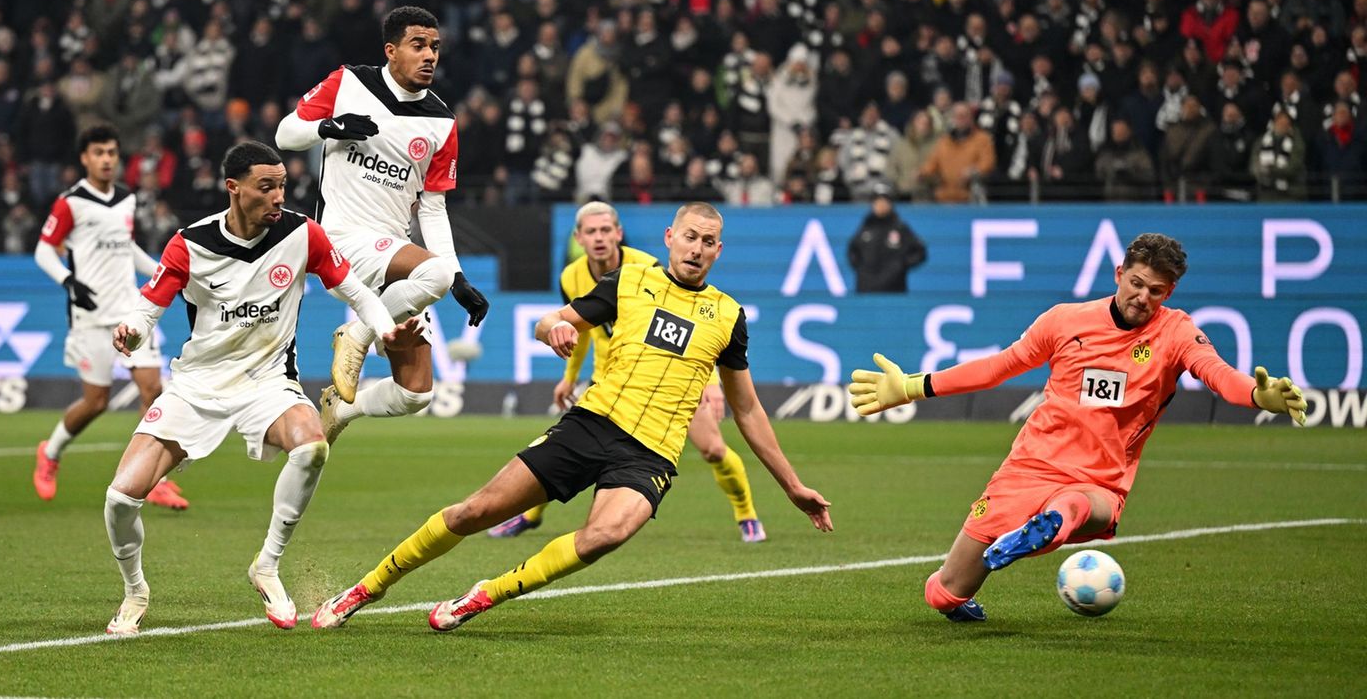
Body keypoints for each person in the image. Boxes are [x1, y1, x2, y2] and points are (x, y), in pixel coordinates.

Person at [311, 203, 833, 633]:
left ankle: (484, 595)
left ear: (719, 250)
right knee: (474, 512)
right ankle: (367, 587)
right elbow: (550, 321)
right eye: (690, 237)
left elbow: (746, 407)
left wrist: (791, 485)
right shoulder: (628, 282)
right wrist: (552, 329)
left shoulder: (727, 316)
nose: (697, 249)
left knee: (606, 535)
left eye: (709, 242)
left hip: (650, 454)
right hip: (591, 425)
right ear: (670, 237)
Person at [848, 233, 1306, 622]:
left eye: (1158, 291)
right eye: (1137, 283)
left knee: (1078, 504)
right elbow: (997, 368)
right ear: (1118, 273)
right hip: (1029, 468)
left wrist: (1256, 395)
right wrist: (912, 385)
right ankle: (1014, 548)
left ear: (1169, 294)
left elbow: (1218, 373)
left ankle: (1053, 522)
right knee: (943, 592)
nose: (1143, 298)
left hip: (1099, 484)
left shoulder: (1177, 333)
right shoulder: (1065, 321)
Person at [103, 141, 413, 635]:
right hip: (197, 385)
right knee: (120, 499)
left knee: (312, 447)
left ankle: (267, 564)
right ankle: (135, 591)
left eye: (282, 186)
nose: (277, 197)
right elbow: (148, 306)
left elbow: (355, 290)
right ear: (234, 188)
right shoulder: (190, 243)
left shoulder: (302, 234)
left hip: (267, 382)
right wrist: (132, 331)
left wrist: (384, 326)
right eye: (265, 187)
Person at [488, 202, 768, 543]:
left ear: (618, 234)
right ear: (579, 238)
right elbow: (580, 327)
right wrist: (569, 376)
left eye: (606, 230)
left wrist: (711, 383)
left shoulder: (644, 269)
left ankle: (747, 513)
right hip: (610, 379)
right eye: (591, 232)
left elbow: (694, 326)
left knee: (712, 448)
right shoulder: (570, 276)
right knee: (564, 449)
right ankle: (529, 516)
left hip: (670, 380)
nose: (599, 238)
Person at [274, 5, 491, 443]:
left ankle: (344, 407)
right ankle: (356, 333)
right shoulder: (349, 83)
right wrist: (329, 128)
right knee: (434, 272)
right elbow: (284, 135)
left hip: (391, 258)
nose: (429, 55)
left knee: (415, 394)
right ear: (391, 51)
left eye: (435, 46)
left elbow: (432, 207)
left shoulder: (441, 121)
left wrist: (459, 278)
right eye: (418, 45)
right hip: (339, 241)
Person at [32, 125, 185, 510]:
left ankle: (155, 479)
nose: (106, 159)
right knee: (96, 402)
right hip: (91, 317)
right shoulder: (71, 203)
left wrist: (164, 272)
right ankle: (50, 452)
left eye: (112, 152)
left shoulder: (125, 200)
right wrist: (68, 280)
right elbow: (43, 251)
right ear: (85, 158)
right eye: (99, 152)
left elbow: (126, 248)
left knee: (153, 389)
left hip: (131, 312)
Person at [847, 188, 927, 293]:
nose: (881, 205)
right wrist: (862, 269)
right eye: (877, 202)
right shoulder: (866, 227)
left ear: (890, 205)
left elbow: (919, 251)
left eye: (884, 202)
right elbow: (853, 250)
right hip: (866, 288)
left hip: (893, 289)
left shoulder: (900, 228)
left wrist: (901, 265)